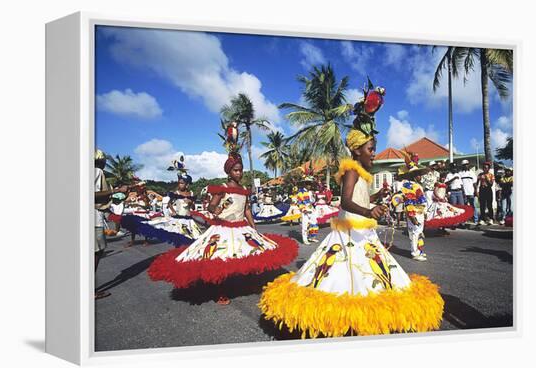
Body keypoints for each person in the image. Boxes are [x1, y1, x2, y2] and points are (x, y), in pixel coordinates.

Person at [259, 84, 443, 337]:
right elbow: (345, 202)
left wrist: (379, 197)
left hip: (364, 232)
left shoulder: (363, 174)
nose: (374, 154)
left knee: (372, 274)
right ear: (357, 150)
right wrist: (369, 213)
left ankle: (364, 317)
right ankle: (347, 318)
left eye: (374, 148)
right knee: (343, 276)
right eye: (370, 149)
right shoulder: (351, 170)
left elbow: (361, 199)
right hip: (348, 232)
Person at [147, 125, 298, 305]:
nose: (239, 173)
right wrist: (215, 210)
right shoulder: (222, 188)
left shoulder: (244, 189)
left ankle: (249, 283)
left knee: (248, 255)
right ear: (228, 172)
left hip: (241, 227)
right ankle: (220, 291)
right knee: (221, 260)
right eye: (236, 170)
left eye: (241, 170)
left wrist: (253, 227)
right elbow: (211, 206)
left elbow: (247, 209)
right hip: (223, 228)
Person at [94, 149, 128, 299]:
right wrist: (116, 190)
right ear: (100, 161)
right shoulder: (97, 171)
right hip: (93, 218)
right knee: (96, 252)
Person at [393, 153, 431, 261]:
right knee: (415, 232)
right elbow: (408, 203)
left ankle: (419, 250)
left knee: (419, 232)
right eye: (418, 174)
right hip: (414, 213)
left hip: (420, 212)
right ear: (413, 175)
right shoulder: (408, 186)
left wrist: (425, 212)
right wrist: (412, 216)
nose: (420, 176)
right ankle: (414, 253)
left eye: (420, 174)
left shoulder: (417, 185)